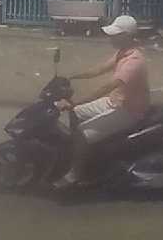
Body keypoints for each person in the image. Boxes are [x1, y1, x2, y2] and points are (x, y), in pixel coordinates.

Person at [52, 14, 150, 189]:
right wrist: (72, 77)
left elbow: (107, 87)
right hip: (114, 102)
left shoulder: (134, 61)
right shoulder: (123, 53)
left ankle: (75, 173)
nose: (110, 37)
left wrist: (75, 102)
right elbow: (99, 69)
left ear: (126, 36)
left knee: (82, 134)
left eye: (115, 34)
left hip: (128, 111)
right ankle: (82, 153)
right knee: (74, 114)